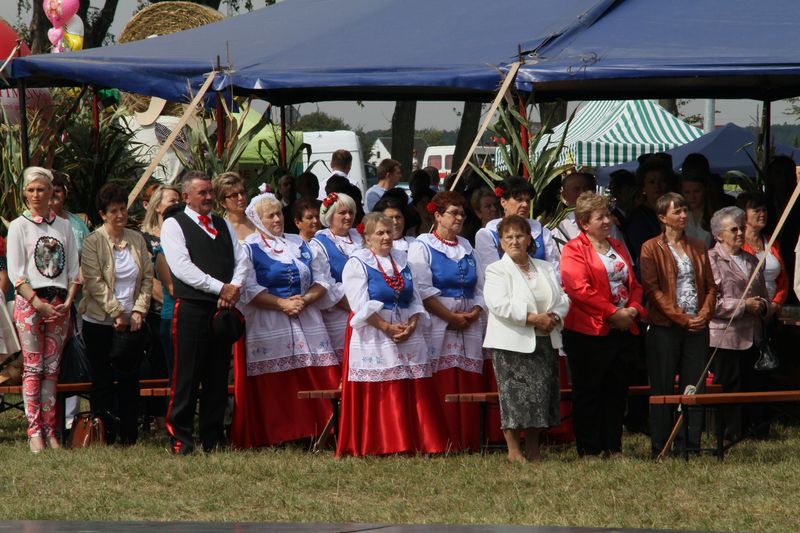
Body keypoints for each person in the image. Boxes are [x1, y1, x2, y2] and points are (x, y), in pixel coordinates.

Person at [231, 193, 339, 447]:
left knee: (316, 372)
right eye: (270, 215)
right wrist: (281, 303)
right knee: (278, 383)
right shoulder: (249, 247)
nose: (277, 219)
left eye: (279, 213)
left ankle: (323, 429)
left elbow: (323, 280)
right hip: (269, 320)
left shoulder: (300, 244)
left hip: (307, 317)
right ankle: (280, 433)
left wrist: (305, 300)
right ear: (257, 219)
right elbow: (247, 288)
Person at [336, 213, 449, 456]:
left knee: (413, 385)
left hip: (406, 328)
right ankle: (384, 442)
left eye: (389, 232)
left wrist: (412, 323)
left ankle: (418, 440)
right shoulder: (358, 263)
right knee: (383, 385)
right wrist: (386, 327)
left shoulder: (403, 260)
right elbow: (359, 305)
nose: (386, 237)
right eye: (380, 233)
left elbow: (416, 298)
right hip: (374, 332)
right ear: (367, 239)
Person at [160, 170, 249, 454]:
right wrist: (219, 288)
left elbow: (242, 259)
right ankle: (180, 439)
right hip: (192, 310)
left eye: (211, 192)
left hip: (221, 311)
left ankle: (213, 439)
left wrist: (233, 288)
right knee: (186, 376)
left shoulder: (222, 225)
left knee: (217, 376)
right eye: (203, 193)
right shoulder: (174, 225)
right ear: (187, 196)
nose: (210, 197)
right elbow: (182, 268)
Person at [560, 192, 646, 457]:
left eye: (608, 215)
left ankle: (613, 445)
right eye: (601, 217)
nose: (608, 220)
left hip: (621, 328)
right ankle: (589, 448)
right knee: (589, 391)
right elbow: (579, 289)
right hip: (588, 331)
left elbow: (634, 283)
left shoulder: (617, 246)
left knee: (616, 390)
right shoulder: (574, 249)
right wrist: (612, 313)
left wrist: (633, 308)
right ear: (585, 223)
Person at [483, 214, 570, 462]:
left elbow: (563, 298)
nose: (514, 241)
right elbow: (499, 304)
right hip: (512, 343)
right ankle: (514, 452)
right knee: (514, 398)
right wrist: (533, 318)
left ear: (529, 238)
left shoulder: (544, 267)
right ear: (501, 242)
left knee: (539, 398)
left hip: (544, 339)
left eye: (519, 235)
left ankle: (534, 450)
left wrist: (552, 317)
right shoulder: (496, 269)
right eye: (508, 237)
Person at [7, 167, 80, 453]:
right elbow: (16, 273)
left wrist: (69, 301)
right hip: (31, 303)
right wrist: (36, 303)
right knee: (33, 367)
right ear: (25, 194)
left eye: (42, 189)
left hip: (60, 304)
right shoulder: (18, 226)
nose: (37, 195)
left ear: (52, 193)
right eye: (31, 190)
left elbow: (74, 270)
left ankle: (51, 431)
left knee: (51, 370)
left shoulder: (63, 226)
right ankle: (34, 430)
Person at [639, 192, 717, 457]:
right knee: (662, 387)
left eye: (685, 210)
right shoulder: (651, 247)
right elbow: (653, 290)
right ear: (663, 217)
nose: (683, 215)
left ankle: (690, 445)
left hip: (697, 324)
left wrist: (703, 315)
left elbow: (710, 286)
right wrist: (683, 319)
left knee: (694, 386)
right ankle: (661, 445)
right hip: (665, 326)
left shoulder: (697, 245)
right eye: (677, 212)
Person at [408, 191, 485, 451]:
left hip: (468, 322)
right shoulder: (423, 245)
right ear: (437, 215)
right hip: (438, 321)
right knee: (441, 376)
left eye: (462, 213)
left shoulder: (466, 246)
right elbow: (422, 288)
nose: (459, 218)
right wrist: (450, 317)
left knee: (466, 376)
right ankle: (441, 438)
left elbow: (481, 286)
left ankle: (468, 438)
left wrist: (474, 313)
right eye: (453, 213)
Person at [79, 183, 154, 445]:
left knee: (129, 379)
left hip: (132, 321)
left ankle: (129, 435)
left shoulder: (136, 239)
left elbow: (146, 278)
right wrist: (117, 312)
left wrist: (138, 311)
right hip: (99, 322)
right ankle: (103, 433)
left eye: (123, 209)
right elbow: (94, 282)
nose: (120, 215)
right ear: (103, 214)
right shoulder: (92, 241)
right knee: (101, 379)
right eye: (114, 211)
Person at [708, 206, 772, 441]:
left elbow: (763, 293)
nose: (739, 233)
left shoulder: (752, 259)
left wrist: (764, 305)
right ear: (718, 235)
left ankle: (754, 431)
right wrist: (745, 306)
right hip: (726, 336)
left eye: (741, 228)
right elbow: (712, 303)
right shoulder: (711, 259)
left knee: (752, 385)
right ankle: (728, 434)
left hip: (753, 334)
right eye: (733, 229)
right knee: (729, 386)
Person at [309, 192, 362, 360]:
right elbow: (327, 284)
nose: (348, 217)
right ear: (330, 216)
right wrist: (356, 309)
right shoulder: (319, 244)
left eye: (351, 212)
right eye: (342, 213)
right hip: (341, 314)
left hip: (368, 311)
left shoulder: (361, 238)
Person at [475, 175, 559, 271]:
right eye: (519, 199)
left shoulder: (542, 232)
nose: (525, 205)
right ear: (503, 202)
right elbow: (490, 271)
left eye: (527, 201)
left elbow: (553, 269)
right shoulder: (488, 234)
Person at [141, 185, 182, 377]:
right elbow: (149, 277)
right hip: (158, 314)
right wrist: (173, 302)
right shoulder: (144, 238)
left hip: (182, 311)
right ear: (157, 206)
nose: (177, 204)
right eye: (172, 201)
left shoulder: (184, 235)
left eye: (179, 200)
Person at [738, 192, 788, 315]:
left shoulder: (773, 242)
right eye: (756, 210)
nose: (762, 214)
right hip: (746, 311)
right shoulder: (737, 243)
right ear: (743, 215)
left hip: (772, 310)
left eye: (764, 210)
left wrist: (775, 304)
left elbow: (783, 280)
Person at [626, 158, 672, 268]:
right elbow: (644, 251)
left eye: (662, 181)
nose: (657, 186)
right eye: (651, 182)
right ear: (643, 187)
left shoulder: (678, 211)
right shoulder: (638, 217)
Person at [50, 173, 90, 256]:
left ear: (64, 194)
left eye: (57, 191)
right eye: (50, 191)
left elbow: (90, 251)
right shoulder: (36, 223)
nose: (54, 194)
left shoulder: (77, 222)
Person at [213, 172, 256, 241]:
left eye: (242, 192)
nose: (241, 198)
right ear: (223, 203)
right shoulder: (220, 230)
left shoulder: (257, 224)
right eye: (234, 195)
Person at [679, 173, 713, 248]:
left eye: (697, 191)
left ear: (705, 190)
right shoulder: (680, 216)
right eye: (687, 192)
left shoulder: (714, 216)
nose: (692, 196)